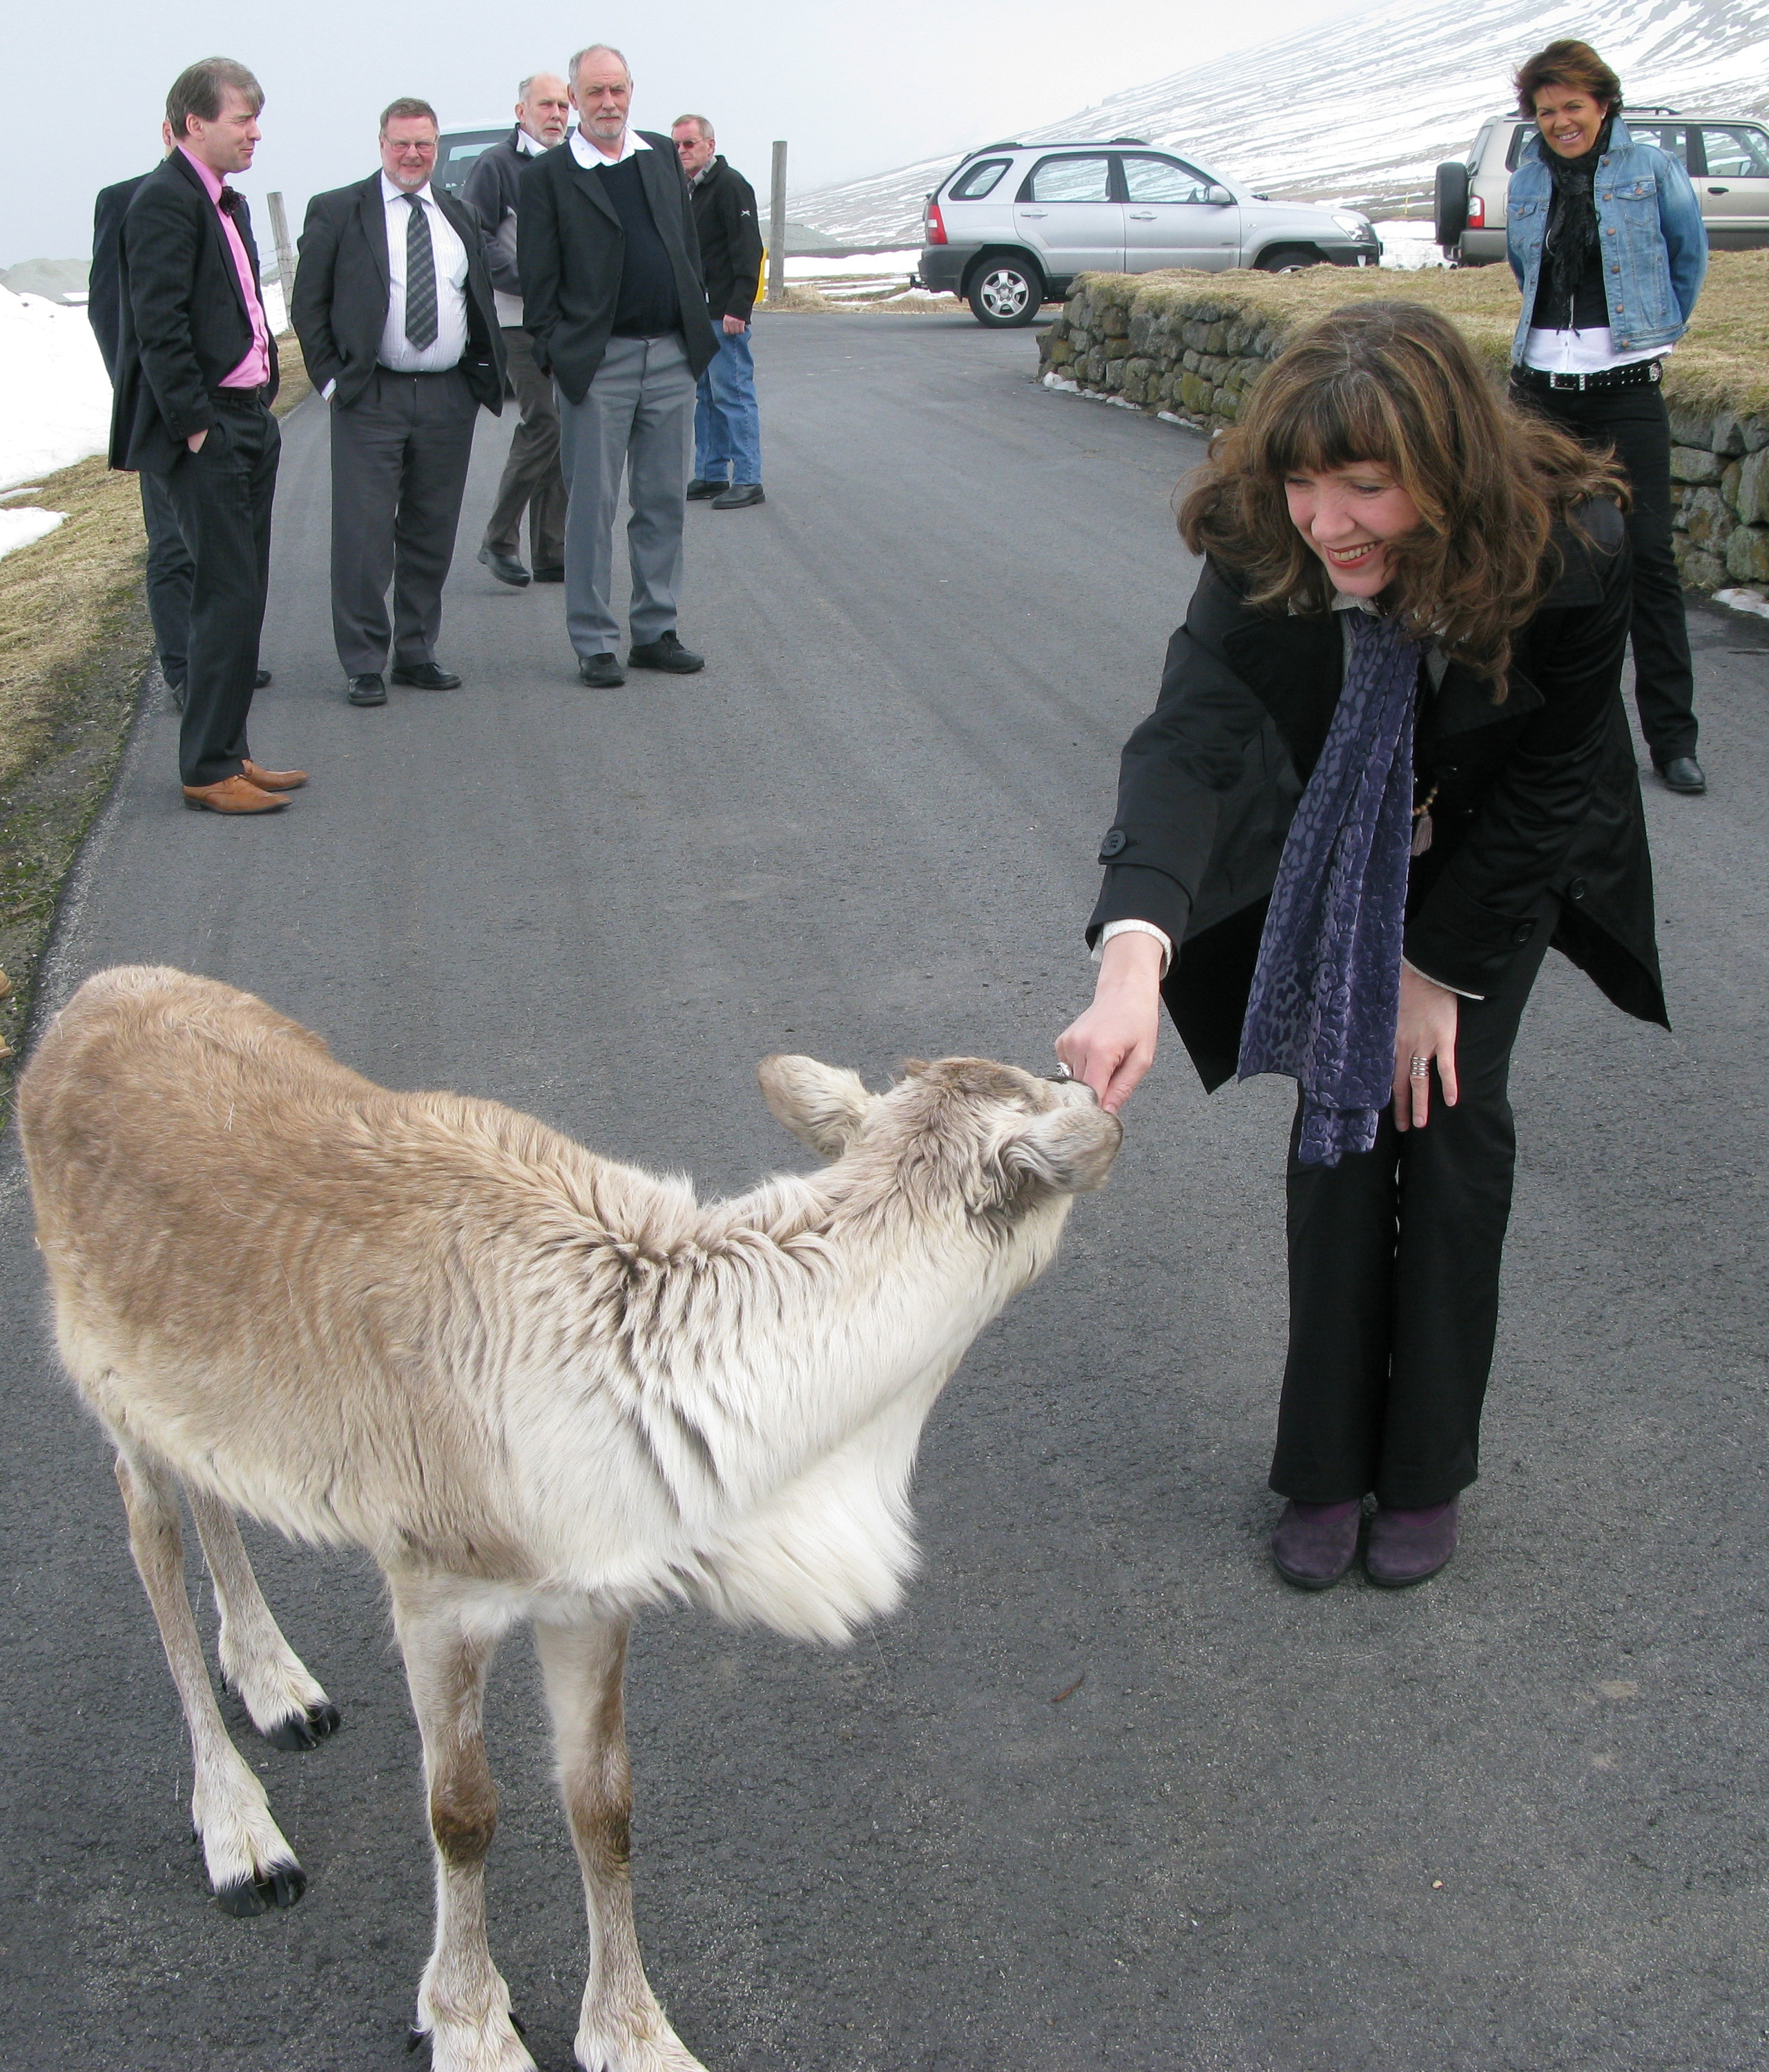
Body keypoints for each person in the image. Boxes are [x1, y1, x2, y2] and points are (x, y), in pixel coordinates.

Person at [1057, 301, 1666, 1591]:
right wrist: (1131, 961)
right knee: (1339, 1106)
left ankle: (1427, 1468)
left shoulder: (1571, 544)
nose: (1325, 522)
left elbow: (1558, 779)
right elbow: (1194, 736)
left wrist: (1433, 975)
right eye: (1302, 483)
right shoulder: (1253, 530)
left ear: (1442, 472)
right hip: (1338, 826)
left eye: (1367, 488)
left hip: (1498, 848)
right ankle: (1323, 1461)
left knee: (1444, 1116)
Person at [1505, 39, 1709, 796]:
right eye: (1547, 110)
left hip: (1626, 389)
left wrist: (1654, 332)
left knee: (1649, 561)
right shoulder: (1528, 179)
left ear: (1604, 104)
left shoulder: (1652, 171)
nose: (1561, 122)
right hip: (1541, 392)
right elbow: (1528, 270)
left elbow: (1688, 258)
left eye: (1573, 107)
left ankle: (1673, 738)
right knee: (1536, 555)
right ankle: (1533, 724)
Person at [109, 57, 304, 814]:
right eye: (242, 119)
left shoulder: (228, 203)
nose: (256, 133)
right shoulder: (162, 202)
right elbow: (156, 327)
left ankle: (232, 753)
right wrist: (195, 428)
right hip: (208, 428)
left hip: (249, 414)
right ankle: (205, 769)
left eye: (257, 118)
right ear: (195, 124)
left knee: (244, 592)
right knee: (222, 595)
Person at [292, 97, 505, 708]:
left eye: (425, 145)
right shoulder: (339, 211)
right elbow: (309, 306)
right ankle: (364, 661)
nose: (413, 155)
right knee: (363, 535)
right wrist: (333, 382)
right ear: (380, 143)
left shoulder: (458, 214)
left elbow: (476, 298)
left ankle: (416, 651)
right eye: (401, 143)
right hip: (371, 396)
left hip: (446, 398)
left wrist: (478, 376)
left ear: (437, 147)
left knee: (430, 531)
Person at [518, 43, 716, 689]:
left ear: (632, 91)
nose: (608, 103)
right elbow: (538, 283)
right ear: (574, 99)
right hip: (597, 366)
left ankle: (655, 631)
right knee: (591, 508)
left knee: (662, 502)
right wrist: (563, 356)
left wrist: (691, 339)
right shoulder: (547, 177)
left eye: (618, 91)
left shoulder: (659, 156)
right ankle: (595, 641)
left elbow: (684, 247)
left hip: (670, 359)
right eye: (595, 92)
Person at [461, 72, 572, 588]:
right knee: (544, 421)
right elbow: (476, 235)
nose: (556, 114)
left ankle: (551, 551)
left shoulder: (575, 161)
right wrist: (529, 282)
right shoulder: (496, 165)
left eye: (562, 105)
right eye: (545, 105)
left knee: (565, 428)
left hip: (569, 321)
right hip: (518, 320)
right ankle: (498, 540)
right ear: (520, 111)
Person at [672, 114, 765, 510]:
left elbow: (748, 249)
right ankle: (710, 473)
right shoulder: (687, 190)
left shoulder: (730, 186)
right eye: (677, 145)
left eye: (690, 144)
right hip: (698, 312)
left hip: (725, 314)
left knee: (734, 394)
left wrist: (739, 306)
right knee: (706, 395)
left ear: (710, 145)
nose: (682, 151)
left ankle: (748, 479)